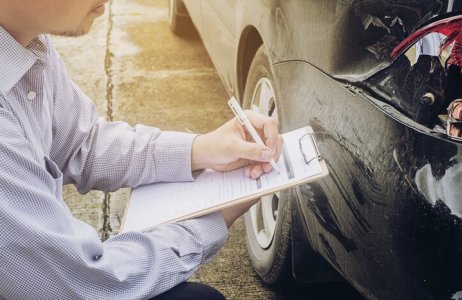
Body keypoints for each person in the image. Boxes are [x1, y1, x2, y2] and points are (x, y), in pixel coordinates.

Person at [0, 0, 282, 299]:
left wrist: (201, 150)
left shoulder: (27, 44)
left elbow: (82, 144)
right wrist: (209, 221)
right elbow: (84, 282)